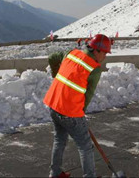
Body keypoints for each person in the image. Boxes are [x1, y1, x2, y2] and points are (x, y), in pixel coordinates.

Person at [43, 34, 113, 178]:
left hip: (53, 103)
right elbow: (88, 95)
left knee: (59, 139)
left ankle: (55, 172)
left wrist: (57, 76)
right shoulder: (94, 68)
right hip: (69, 110)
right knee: (85, 146)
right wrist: (81, 114)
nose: (105, 56)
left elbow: (52, 57)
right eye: (105, 52)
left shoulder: (71, 53)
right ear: (96, 50)